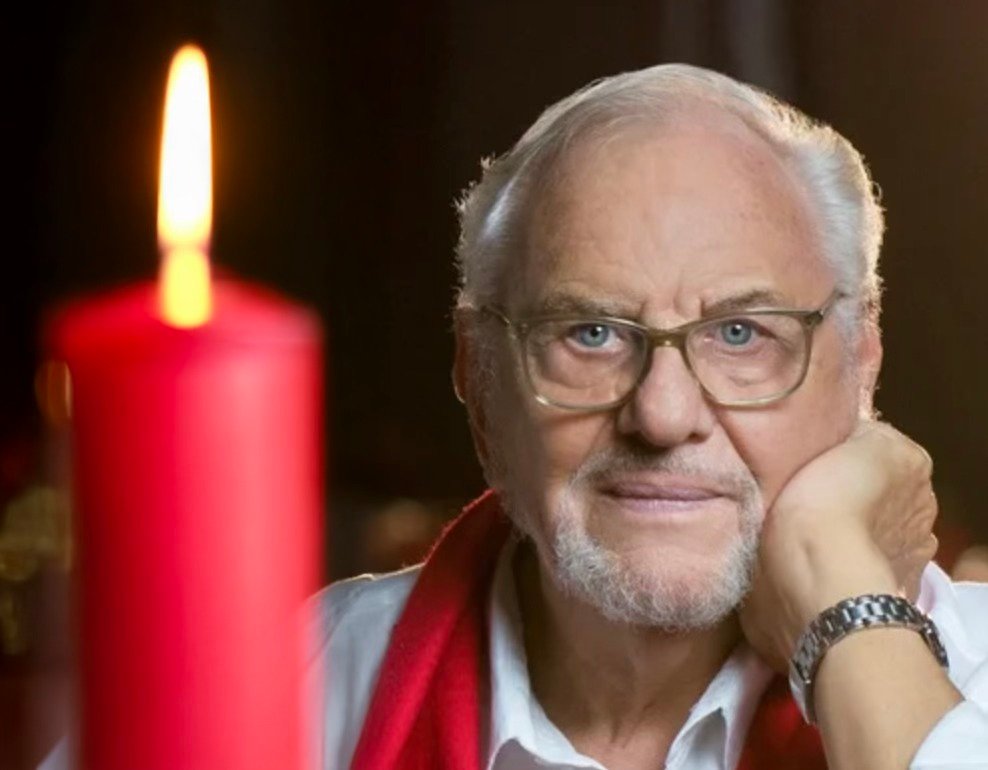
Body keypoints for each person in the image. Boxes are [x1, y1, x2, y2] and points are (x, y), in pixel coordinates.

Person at [315, 64, 988, 770]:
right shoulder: (303, 686)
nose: (663, 417)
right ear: (476, 375)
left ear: (861, 362)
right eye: (591, 334)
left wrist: (836, 574)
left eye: (741, 334)